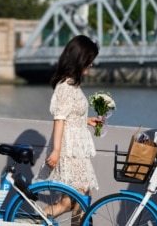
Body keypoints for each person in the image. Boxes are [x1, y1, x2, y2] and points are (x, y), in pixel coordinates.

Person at [41, 35, 102, 224]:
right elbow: (59, 119)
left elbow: (70, 117)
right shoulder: (66, 86)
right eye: (89, 59)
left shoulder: (72, 84)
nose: (91, 64)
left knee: (82, 200)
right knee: (68, 203)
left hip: (76, 150)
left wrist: (87, 120)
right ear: (80, 58)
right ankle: (32, 221)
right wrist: (57, 151)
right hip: (69, 151)